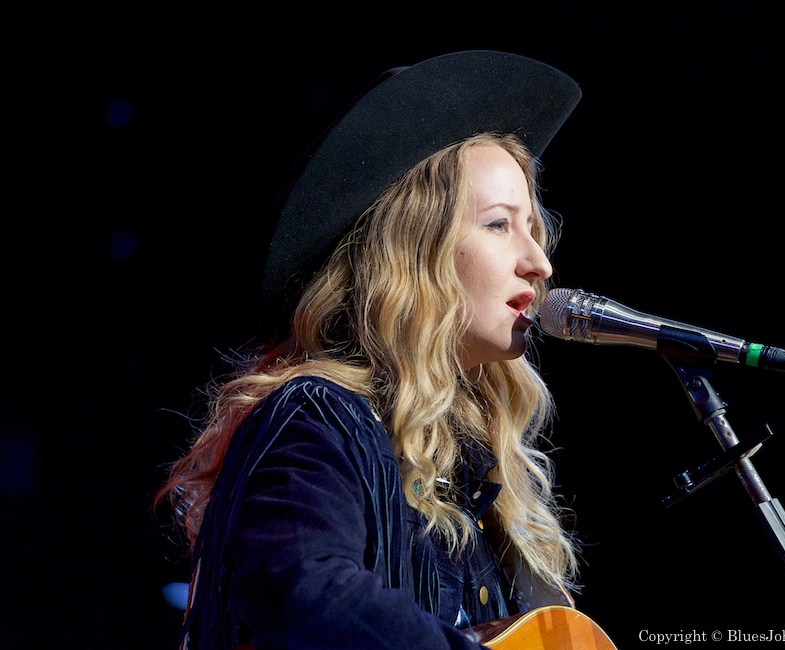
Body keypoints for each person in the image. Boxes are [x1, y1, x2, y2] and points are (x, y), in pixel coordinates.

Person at [155, 51, 586, 649]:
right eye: (498, 224)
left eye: (533, 230)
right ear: (413, 251)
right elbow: (305, 590)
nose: (539, 262)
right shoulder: (318, 416)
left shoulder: (476, 474)